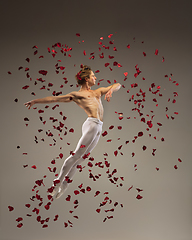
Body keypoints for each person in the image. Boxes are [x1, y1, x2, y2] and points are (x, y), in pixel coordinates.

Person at [24, 65, 121, 199]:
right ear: (86, 79)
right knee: (76, 155)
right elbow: (54, 99)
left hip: (99, 127)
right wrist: (35, 101)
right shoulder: (77, 95)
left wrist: (111, 91)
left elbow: (117, 84)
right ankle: (57, 183)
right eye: (93, 76)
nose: (95, 78)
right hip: (91, 125)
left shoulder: (97, 92)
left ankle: (65, 184)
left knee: (81, 159)